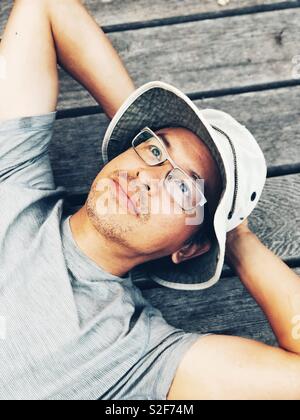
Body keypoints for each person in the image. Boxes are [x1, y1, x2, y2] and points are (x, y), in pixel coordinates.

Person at [0, 0, 299, 400]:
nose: (148, 178)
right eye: (155, 151)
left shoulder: (140, 359)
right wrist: (136, 124)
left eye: (181, 188)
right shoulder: (12, 171)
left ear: (190, 247)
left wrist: (236, 238)